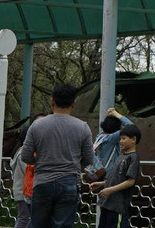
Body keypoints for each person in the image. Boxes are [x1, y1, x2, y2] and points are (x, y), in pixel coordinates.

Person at [20, 83, 94, 228]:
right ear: (73, 103)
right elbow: (89, 159)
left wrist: (40, 160)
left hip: (42, 182)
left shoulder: (37, 125)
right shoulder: (82, 127)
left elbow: (25, 156)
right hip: (69, 183)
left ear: (52, 101)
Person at [89, 123, 141, 228]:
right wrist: (101, 184)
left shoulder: (133, 158)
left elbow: (130, 181)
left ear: (133, 139)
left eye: (124, 138)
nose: (121, 141)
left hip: (118, 206)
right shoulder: (121, 156)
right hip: (108, 203)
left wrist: (110, 189)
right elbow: (115, 178)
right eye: (120, 139)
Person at [86, 107, 132, 181]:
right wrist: (116, 114)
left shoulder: (100, 136)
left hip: (99, 173)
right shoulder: (112, 138)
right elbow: (131, 127)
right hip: (110, 177)